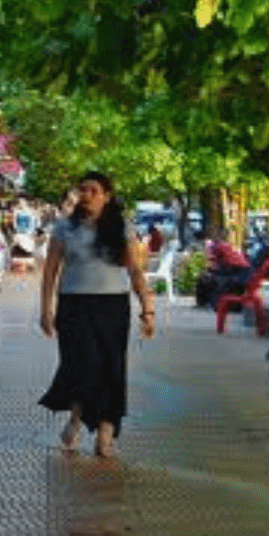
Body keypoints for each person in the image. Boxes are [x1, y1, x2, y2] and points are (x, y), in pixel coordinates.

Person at [37, 171, 156, 458]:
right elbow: (50, 270)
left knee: (112, 369)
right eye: (83, 190)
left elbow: (136, 272)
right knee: (80, 365)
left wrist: (148, 309)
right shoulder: (65, 228)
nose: (86, 195)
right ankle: (77, 418)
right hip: (73, 305)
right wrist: (45, 309)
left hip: (112, 306)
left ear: (107, 196)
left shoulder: (122, 228)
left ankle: (106, 431)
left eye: (93, 190)